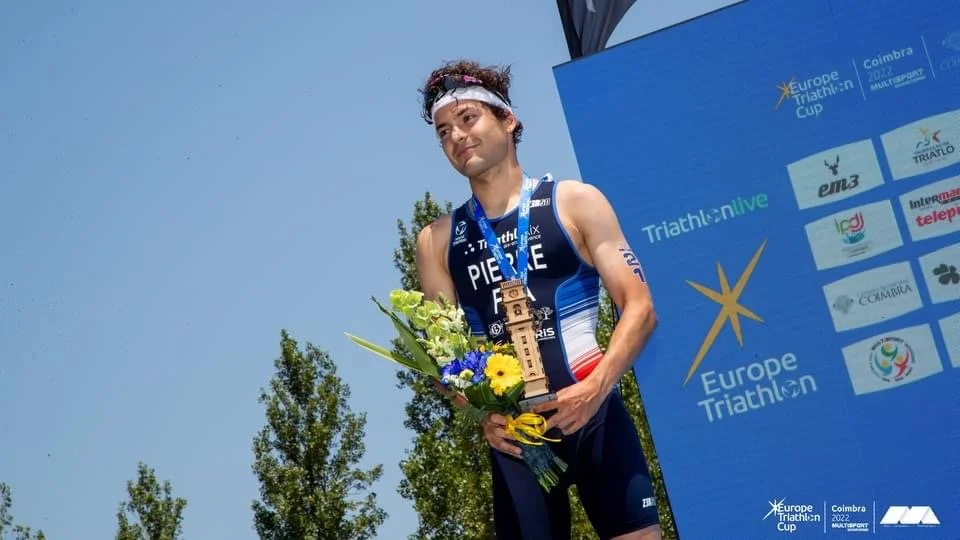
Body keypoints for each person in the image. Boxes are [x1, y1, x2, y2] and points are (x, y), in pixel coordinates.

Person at [413, 59, 662, 540]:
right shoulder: (436, 241)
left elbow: (641, 308)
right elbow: (445, 363)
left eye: (469, 119)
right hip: (515, 441)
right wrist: (479, 411)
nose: (458, 137)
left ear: (509, 120)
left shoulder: (576, 202)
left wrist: (596, 387)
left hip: (595, 415)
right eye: (444, 131)